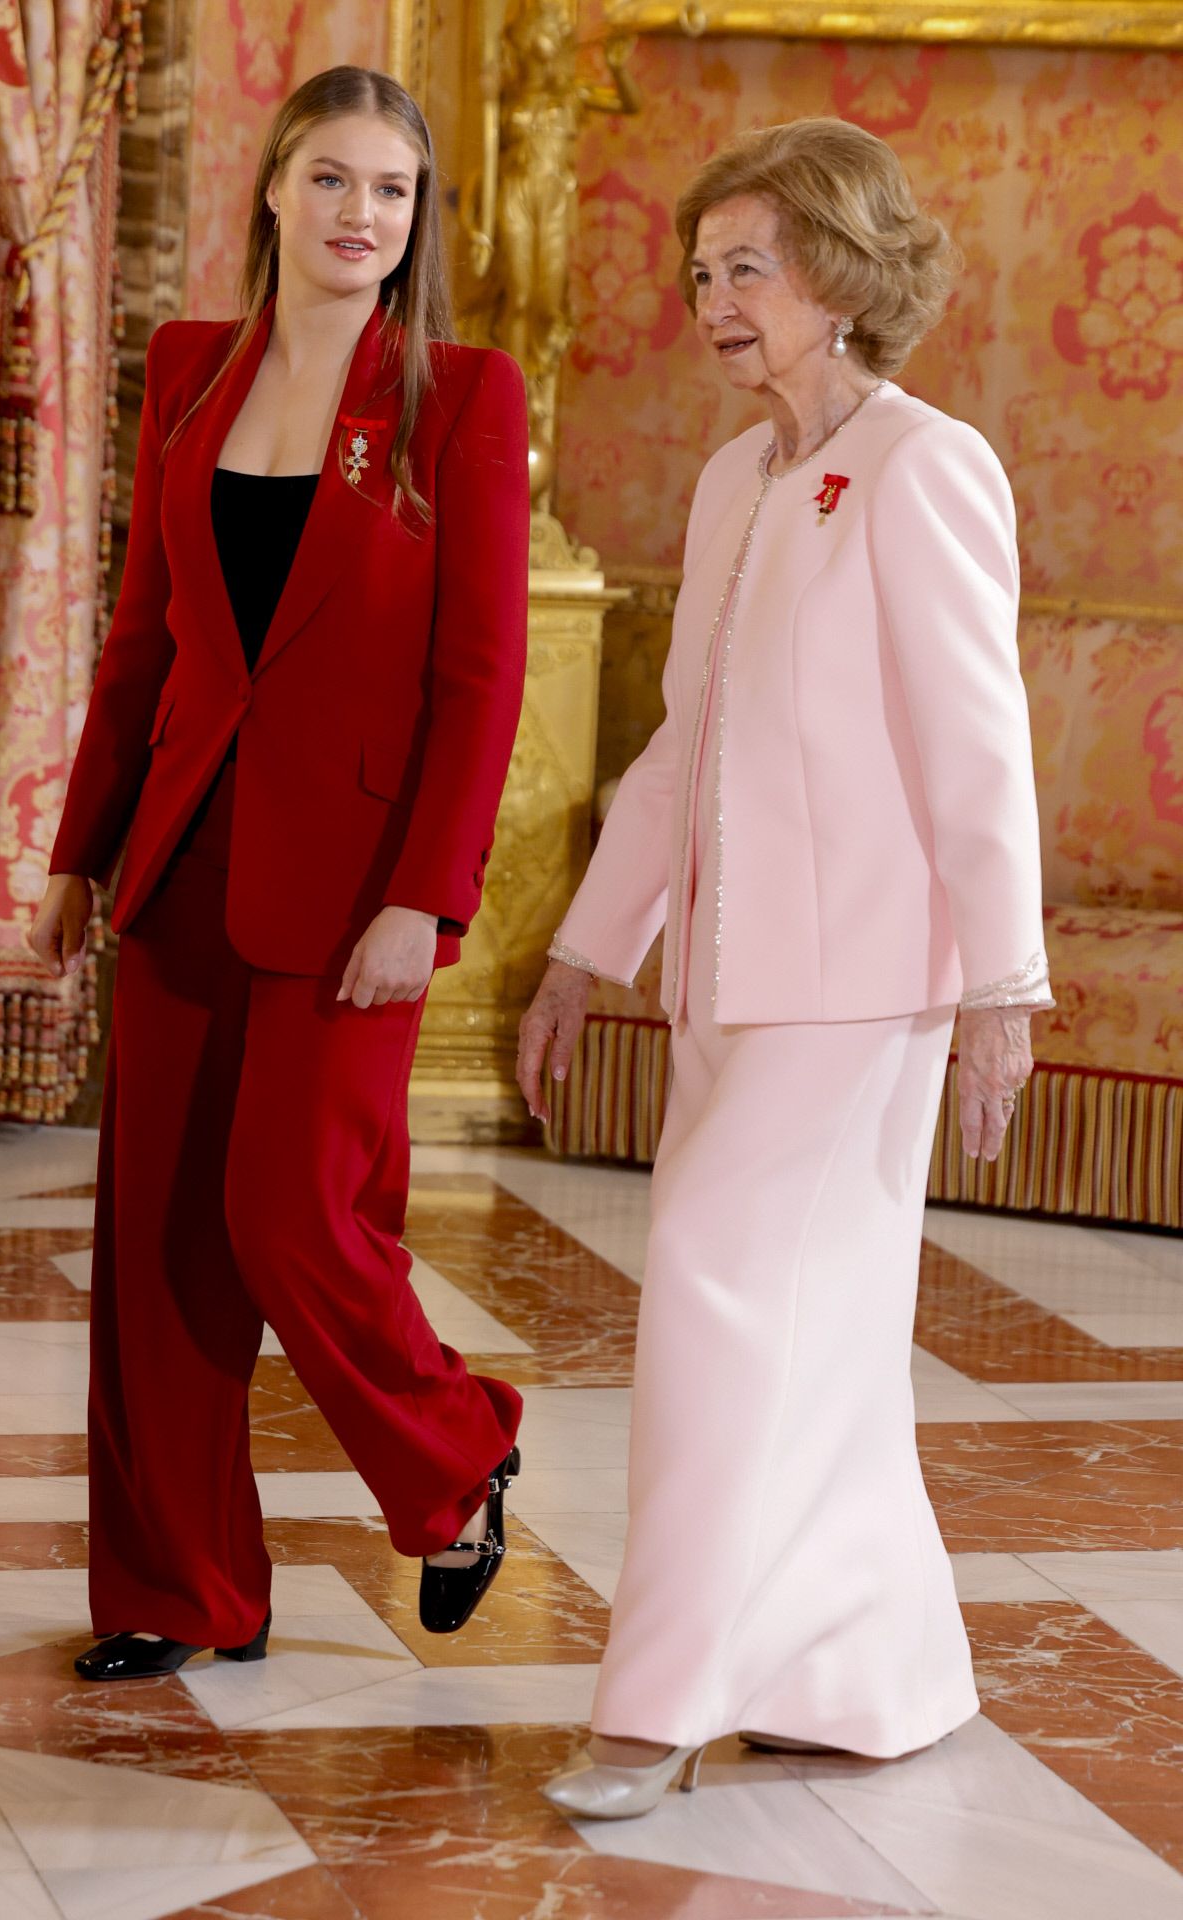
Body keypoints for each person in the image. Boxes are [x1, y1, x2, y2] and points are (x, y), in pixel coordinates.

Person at [518, 118, 1054, 1819]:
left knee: (711, 1289)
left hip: (862, 990)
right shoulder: (733, 478)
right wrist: (584, 956)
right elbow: (686, 744)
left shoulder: (924, 465)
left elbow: (981, 748)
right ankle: (871, 1671)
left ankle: (657, 1697)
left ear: (839, 273)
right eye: (700, 273)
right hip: (728, 991)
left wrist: (1003, 987)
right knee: (812, 1333)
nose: (714, 301)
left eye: (746, 266)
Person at [29, 65, 531, 1679]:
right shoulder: (188, 371)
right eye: (330, 180)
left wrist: (425, 894)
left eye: (390, 190)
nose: (360, 216)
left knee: (289, 1212)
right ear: (271, 190)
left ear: (416, 214)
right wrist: (77, 854)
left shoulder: (463, 395)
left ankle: (456, 1456)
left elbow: (481, 680)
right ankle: (180, 1592)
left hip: (356, 891)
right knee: (165, 1243)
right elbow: (142, 643)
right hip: (180, 865)